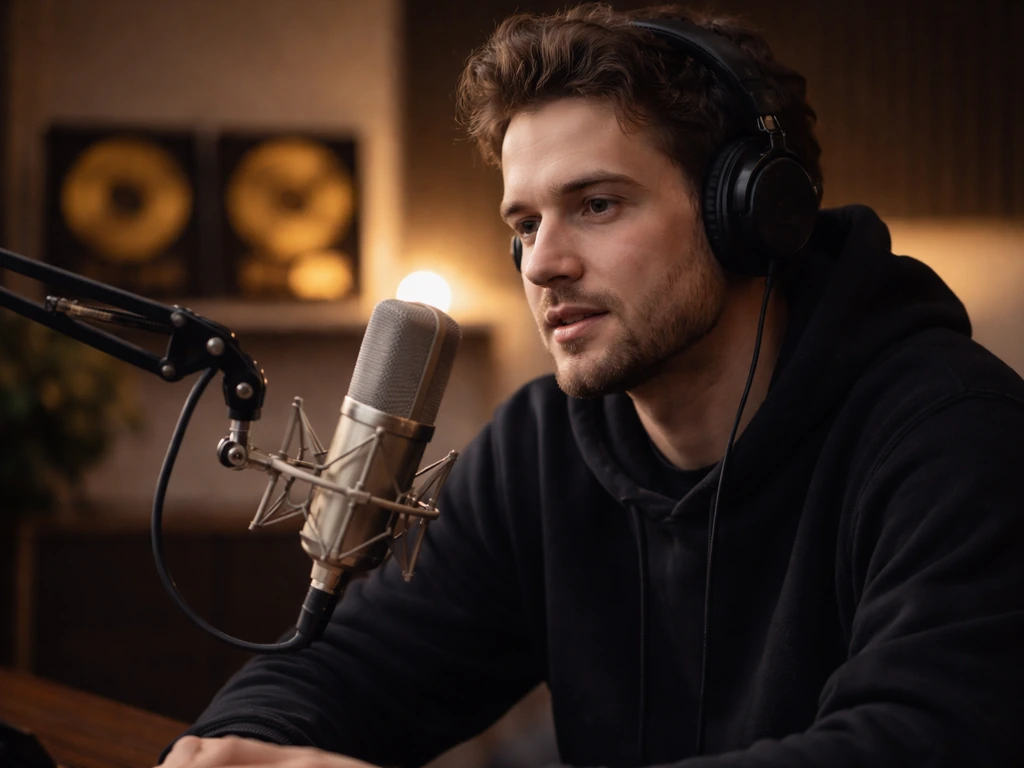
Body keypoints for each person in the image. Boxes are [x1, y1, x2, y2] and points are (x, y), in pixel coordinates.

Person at [160, 3, 1024, 766]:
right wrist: (242, 751)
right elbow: (353, 663)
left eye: (598, 205)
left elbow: (925, 738)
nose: (542, 262)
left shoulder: (953, 436)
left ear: (754, 216)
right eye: (525, 223)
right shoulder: (538, 449)